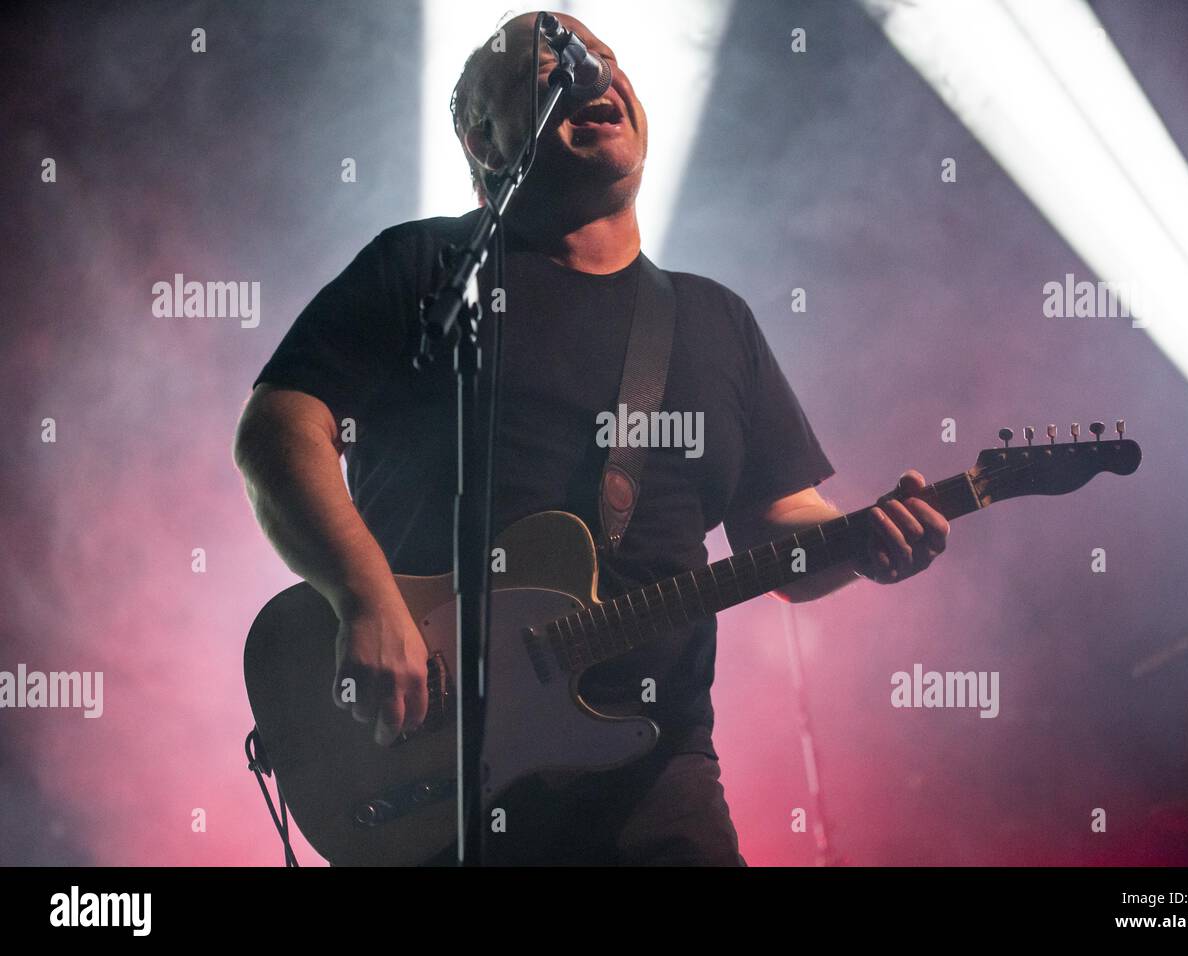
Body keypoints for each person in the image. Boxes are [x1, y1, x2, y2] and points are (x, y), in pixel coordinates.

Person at [233, 11, 950, 866]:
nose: (592, 74)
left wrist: (862, 540)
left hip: (653, 772)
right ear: (483, 138)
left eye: (602, 59)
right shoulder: (423, 269)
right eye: (549, 70)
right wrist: (364, 599)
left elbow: (779, 524)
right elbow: (279, 429)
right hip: (430, 756)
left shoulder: (713, 320)